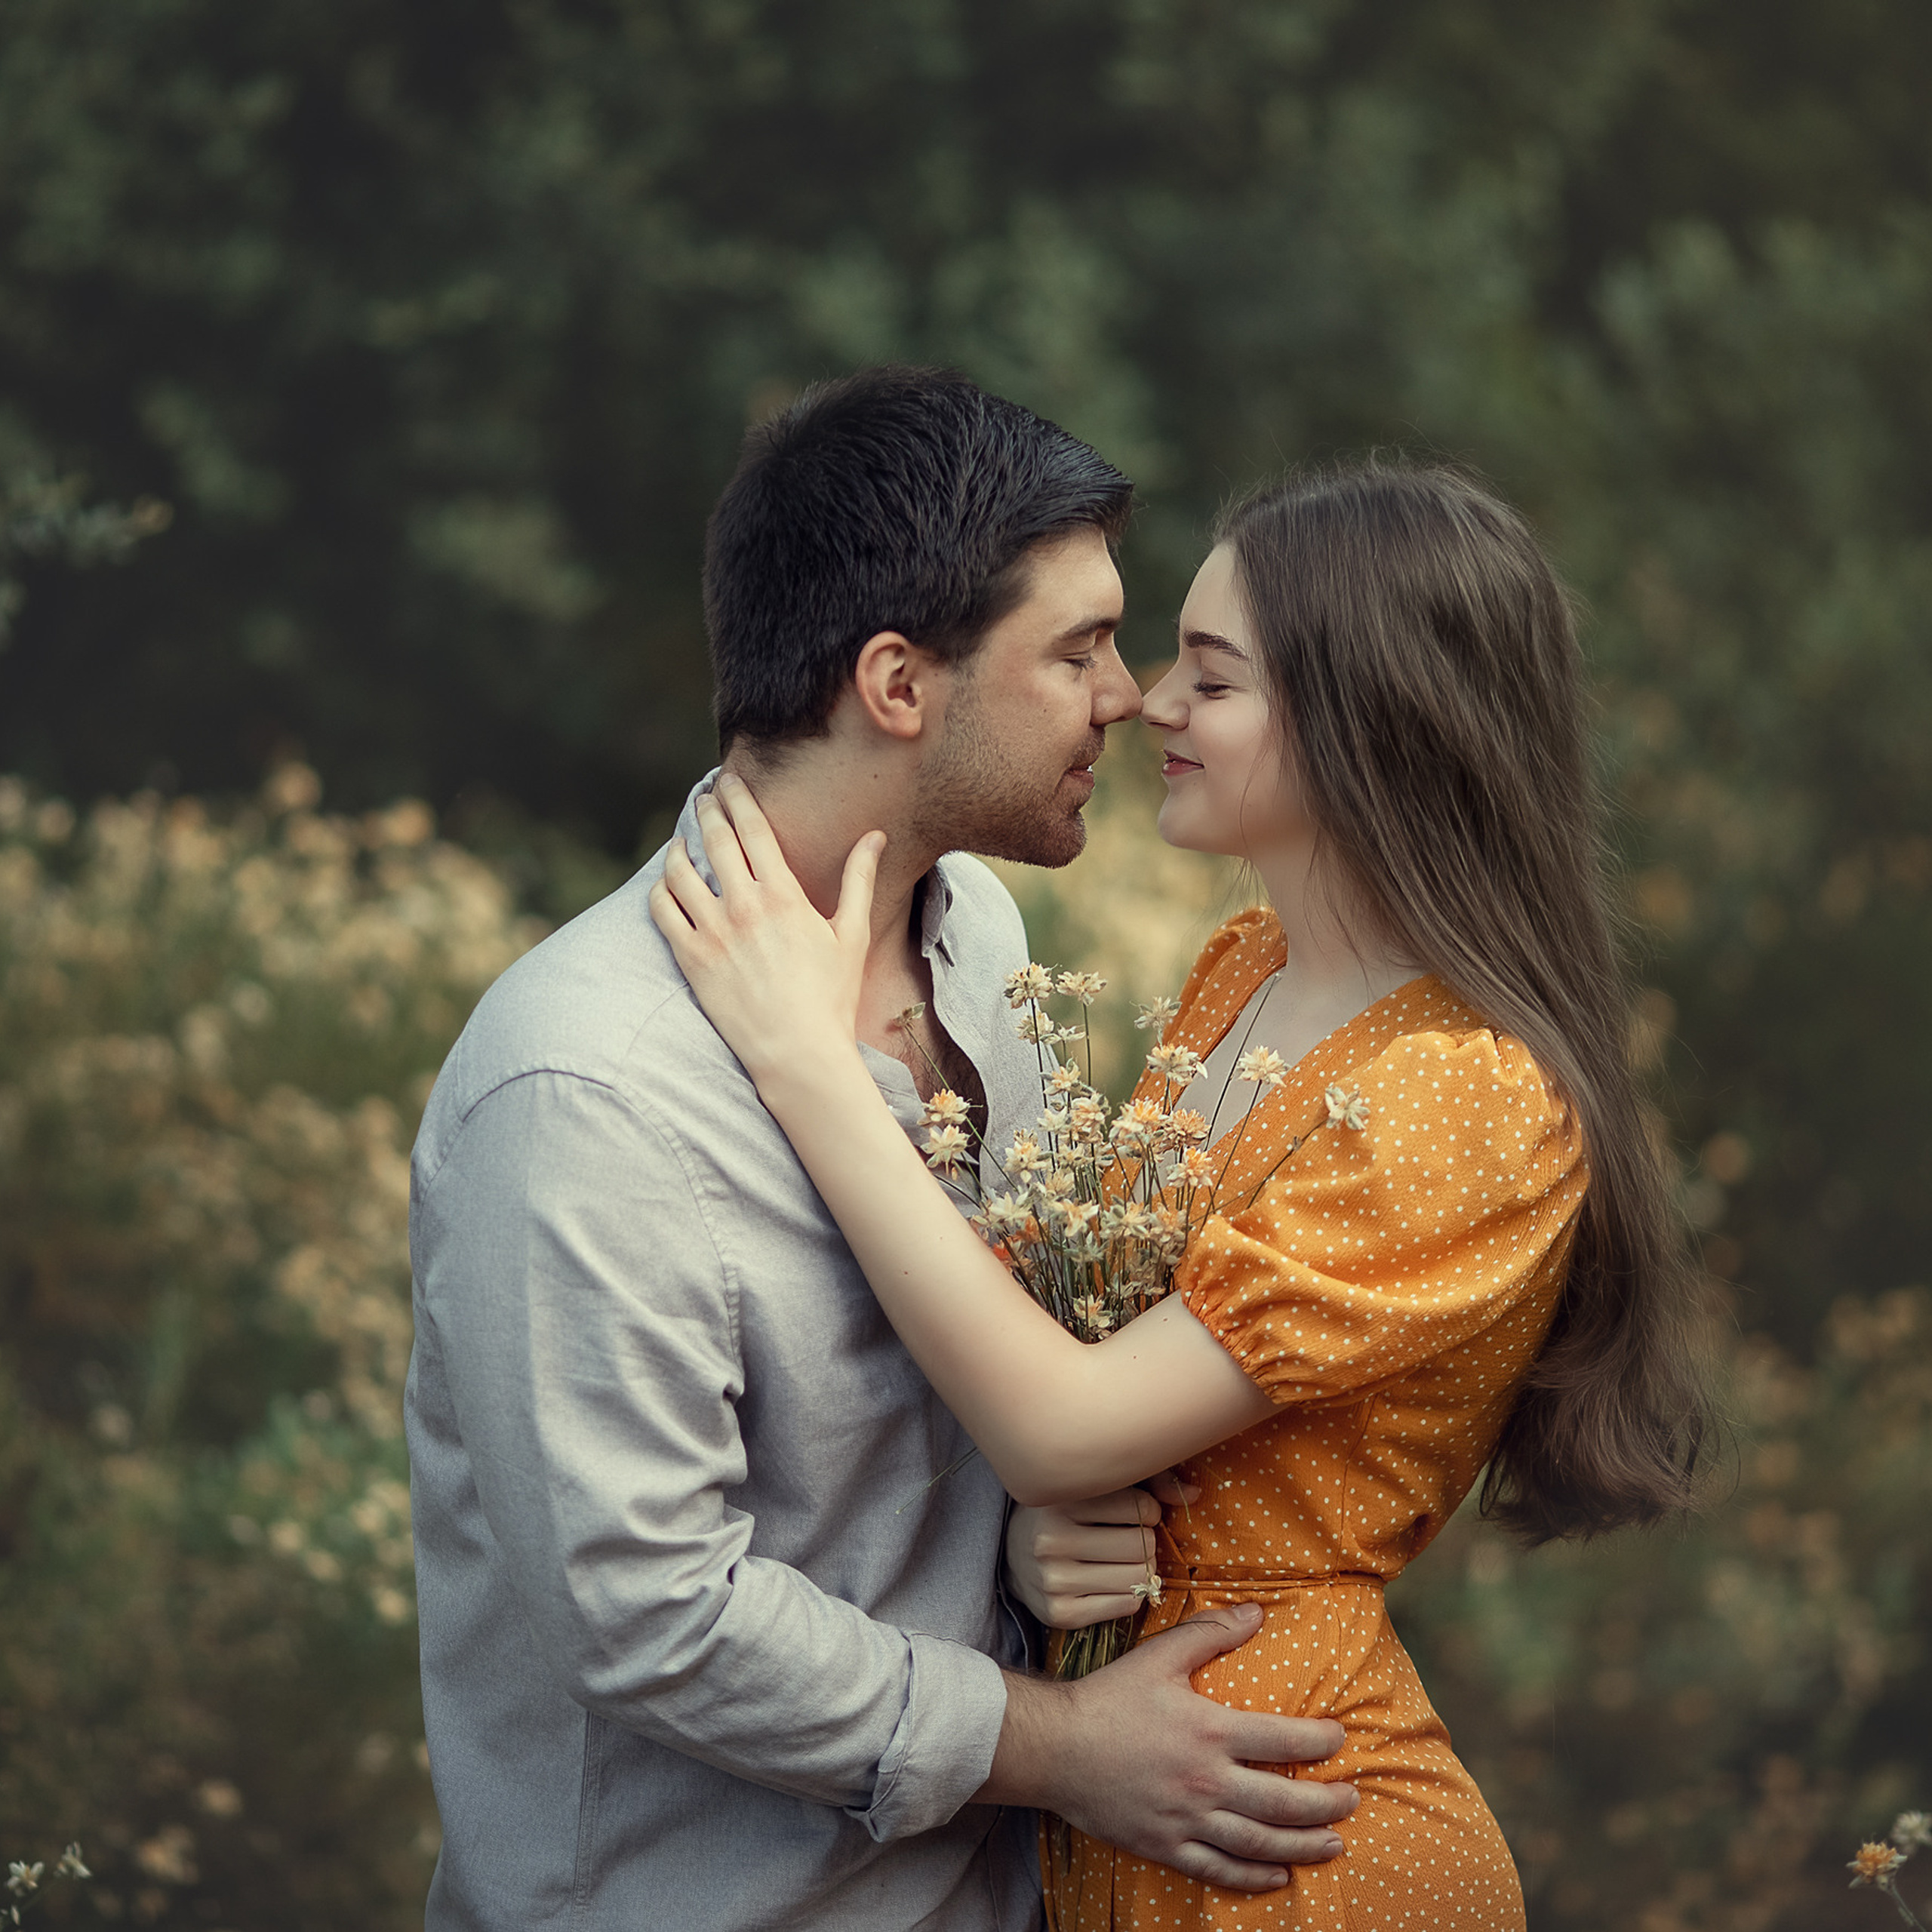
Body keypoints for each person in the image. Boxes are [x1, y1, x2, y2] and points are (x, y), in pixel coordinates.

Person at [651, 459, 1712, 1930]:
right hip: (1131, 1804)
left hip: (1298, 1845)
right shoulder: (1241, 971)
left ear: (1368, 721)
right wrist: (1039, 1551)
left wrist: (806, 1063)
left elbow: (1062, 1411)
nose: (1146, 702)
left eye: (1206, 675)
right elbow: (1114, 1403)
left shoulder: (1468, 1094)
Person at [405, 367, 1357, 1932]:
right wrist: (1058, 1745)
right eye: (1075, 650)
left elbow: (994, 1372)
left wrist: (1033, 1528)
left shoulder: (974, 931)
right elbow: (649, 1612)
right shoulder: (583, 1087)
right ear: (899, 685)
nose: (1126, 695)